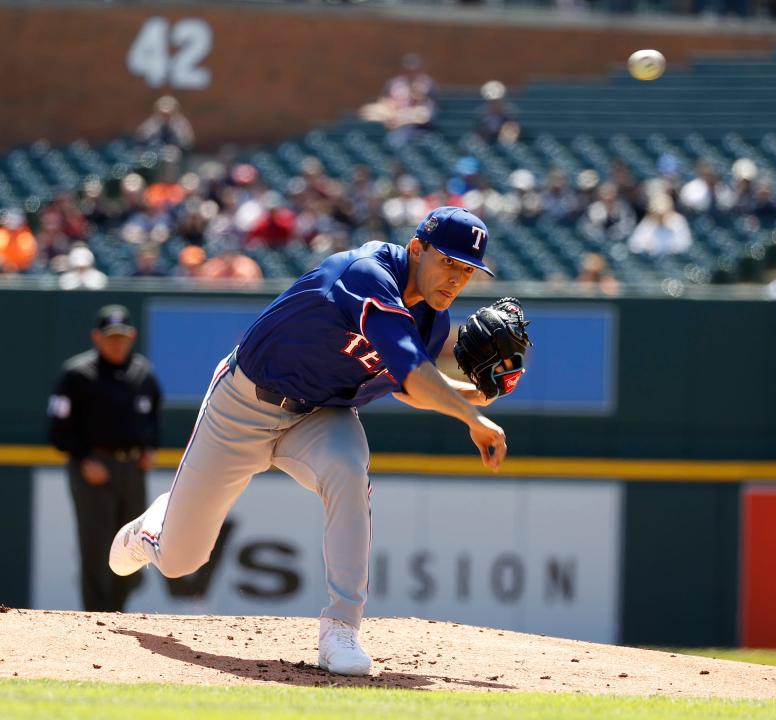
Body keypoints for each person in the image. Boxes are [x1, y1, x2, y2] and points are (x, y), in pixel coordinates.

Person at [108, 206, 509, 676]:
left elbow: (404, 385)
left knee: (348, 470)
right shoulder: (365, 273)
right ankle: (153, 528)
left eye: (467, 270)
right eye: (449, 262)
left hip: (320, 414)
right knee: (180, 561)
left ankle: (341, 627)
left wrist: (476, 393)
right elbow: (415, 374)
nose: (456, 278)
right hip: (244, 404)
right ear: (416, 248)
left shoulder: (431, 319)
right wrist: (471, 416)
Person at [48, 305, 162, 612]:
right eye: (111, 336)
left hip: (132, 469)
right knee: (97, 547)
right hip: (93, 468)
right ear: (97, 337)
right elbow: (59, 427)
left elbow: (152, 417)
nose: (117, 342)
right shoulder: (78, 374)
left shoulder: (143, 373)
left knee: (132, 543)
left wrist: (149, 447)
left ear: (132, 337)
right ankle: (96, 618)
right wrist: (84, 458)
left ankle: (118, 612)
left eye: (122, 336)